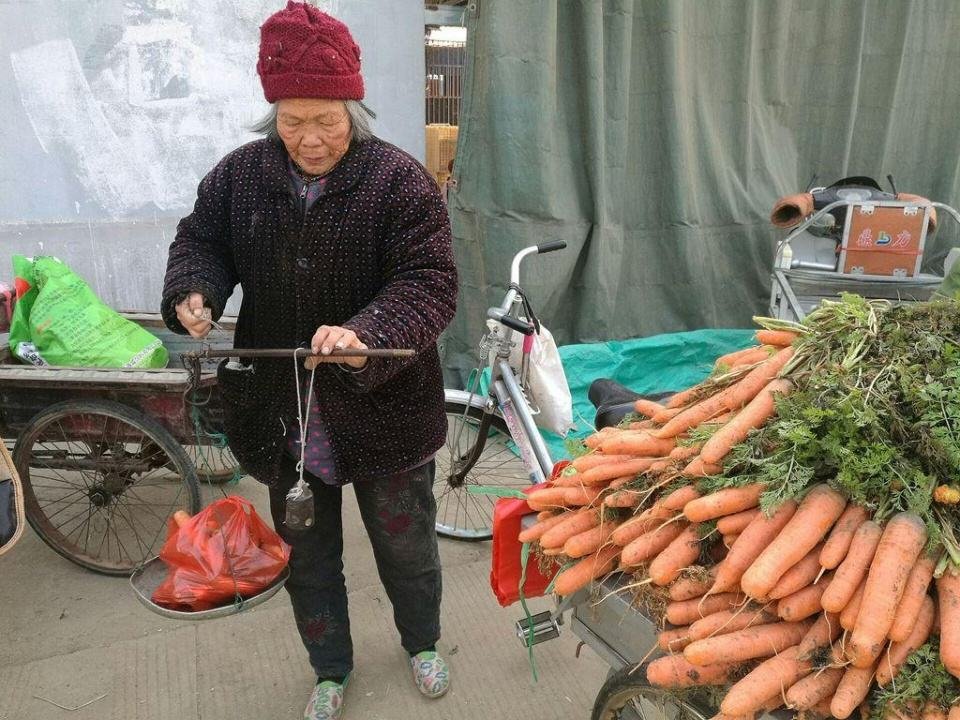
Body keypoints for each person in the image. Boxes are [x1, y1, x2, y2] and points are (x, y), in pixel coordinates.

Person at [160, 3, 458, 719]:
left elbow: (430, 281)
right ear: (272, 115)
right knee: (309, 557)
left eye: (327, 119)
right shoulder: (239, 178)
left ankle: (422, 643)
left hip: (386, 411)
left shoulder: (397, 182)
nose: (311, 138)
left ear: (355, 108)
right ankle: (329, 668)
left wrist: (365, 332)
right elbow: (200, 242)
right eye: (293, 121)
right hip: (284, 414)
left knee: (406, 549)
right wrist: (192, 293)